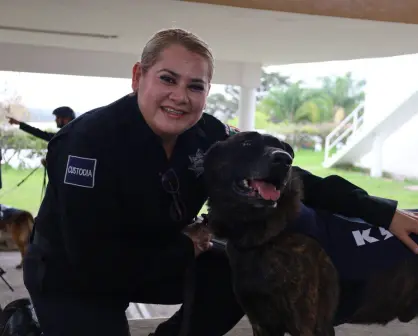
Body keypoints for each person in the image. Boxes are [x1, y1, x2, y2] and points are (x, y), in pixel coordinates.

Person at [22, 28, 418, 336]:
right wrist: (185, 247)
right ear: (138, 76)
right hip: (75, 276)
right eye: (168, 79)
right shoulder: (87, 142)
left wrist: (383, 213)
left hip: (159, 255)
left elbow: (293, 179)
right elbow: (93, 263)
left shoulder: (209, 134)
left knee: (237, 271)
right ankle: (29, 322)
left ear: (208, 91)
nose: (180, 97)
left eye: (195, 86)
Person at [7, 106, 76, 142]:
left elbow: (40, 134)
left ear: (66, 119)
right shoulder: (64, 135)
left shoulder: (70, 137)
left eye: (58, 118)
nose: (55, 120)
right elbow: (40, 133)